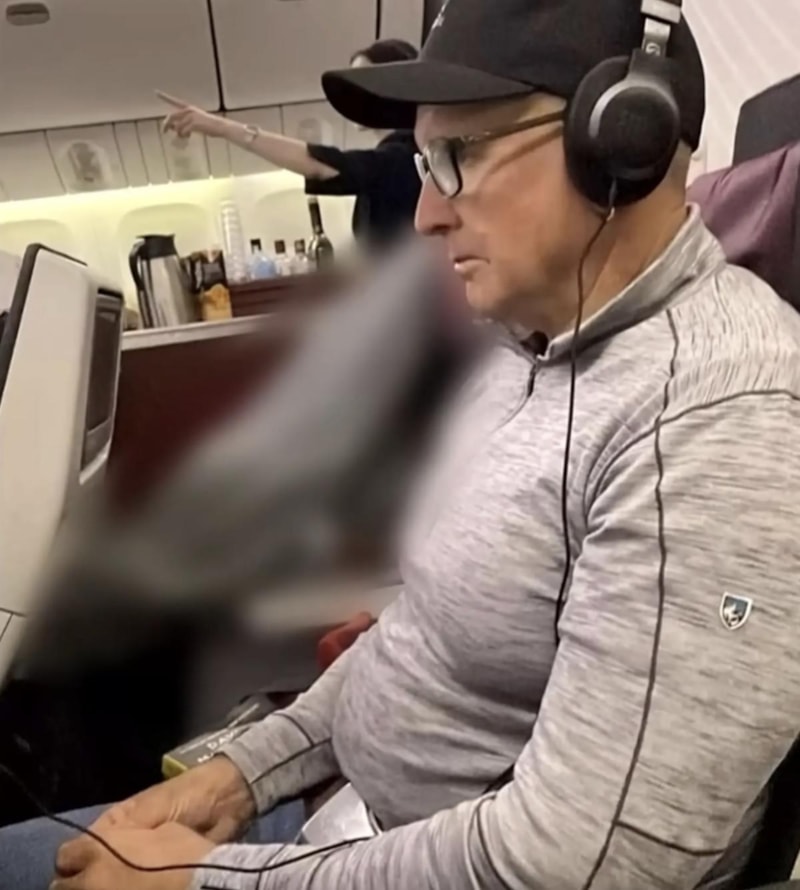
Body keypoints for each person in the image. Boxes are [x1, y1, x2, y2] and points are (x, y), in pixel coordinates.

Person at [5, 0, 800, 888]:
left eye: (459, 156)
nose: (424, 213)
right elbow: (419, 633)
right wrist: (244, 773)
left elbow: (588, 862)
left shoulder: (716, 420)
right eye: (423, 163)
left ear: (621, 143)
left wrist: (204, 882)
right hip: (351, 824)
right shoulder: (525, 350)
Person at [159, 39, 421, 251]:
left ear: (394, 88)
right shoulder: (395, 156)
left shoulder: (404, 156)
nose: (351, 94)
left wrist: (221, 127)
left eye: (361, 84)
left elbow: (321, 164)